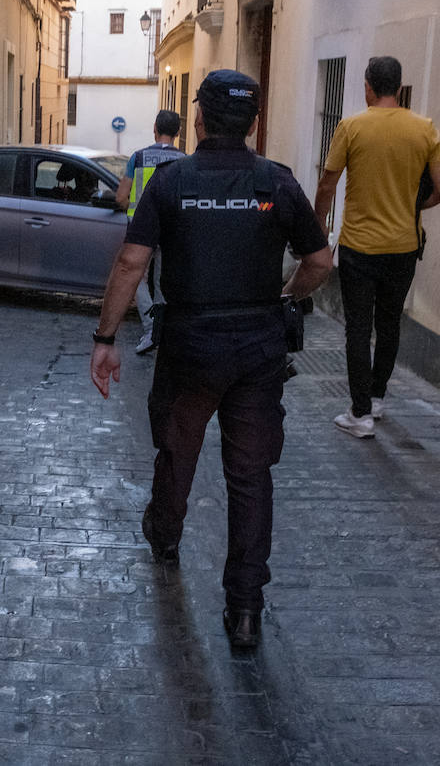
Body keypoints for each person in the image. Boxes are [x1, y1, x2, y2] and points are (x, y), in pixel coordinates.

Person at [90, 70, 332, 649]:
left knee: (178, 449)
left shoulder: (173, 184)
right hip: (257, 350)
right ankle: (245, 610)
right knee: (250, 477)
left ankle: (166, 536)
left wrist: (105, 338)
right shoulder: (277, 183)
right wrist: (284, 296)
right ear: (253, 123)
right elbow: (320, 262)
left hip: (191, 345)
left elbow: (130, 264)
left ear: (198, 119)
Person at [313, 56, 440, 440]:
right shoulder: (425, 130)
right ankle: (376, 399)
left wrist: (318, 226)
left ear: (369, 86)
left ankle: (359, 415)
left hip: (360, 245)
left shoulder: (352, 127)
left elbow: (327, 183)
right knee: (389, 324)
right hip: (404, 246)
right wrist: (410, 206)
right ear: (399, 86)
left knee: (358, 328)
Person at [114, 110, 184, 355]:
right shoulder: (184, 161)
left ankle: (150, 328)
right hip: (172, 229)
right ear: (178, 133)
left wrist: (132, 206)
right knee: (163, 280)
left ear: (154, 128)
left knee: (138, 278)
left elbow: (122, 197)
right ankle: (161, 331)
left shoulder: (138, 157)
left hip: (141, 230)